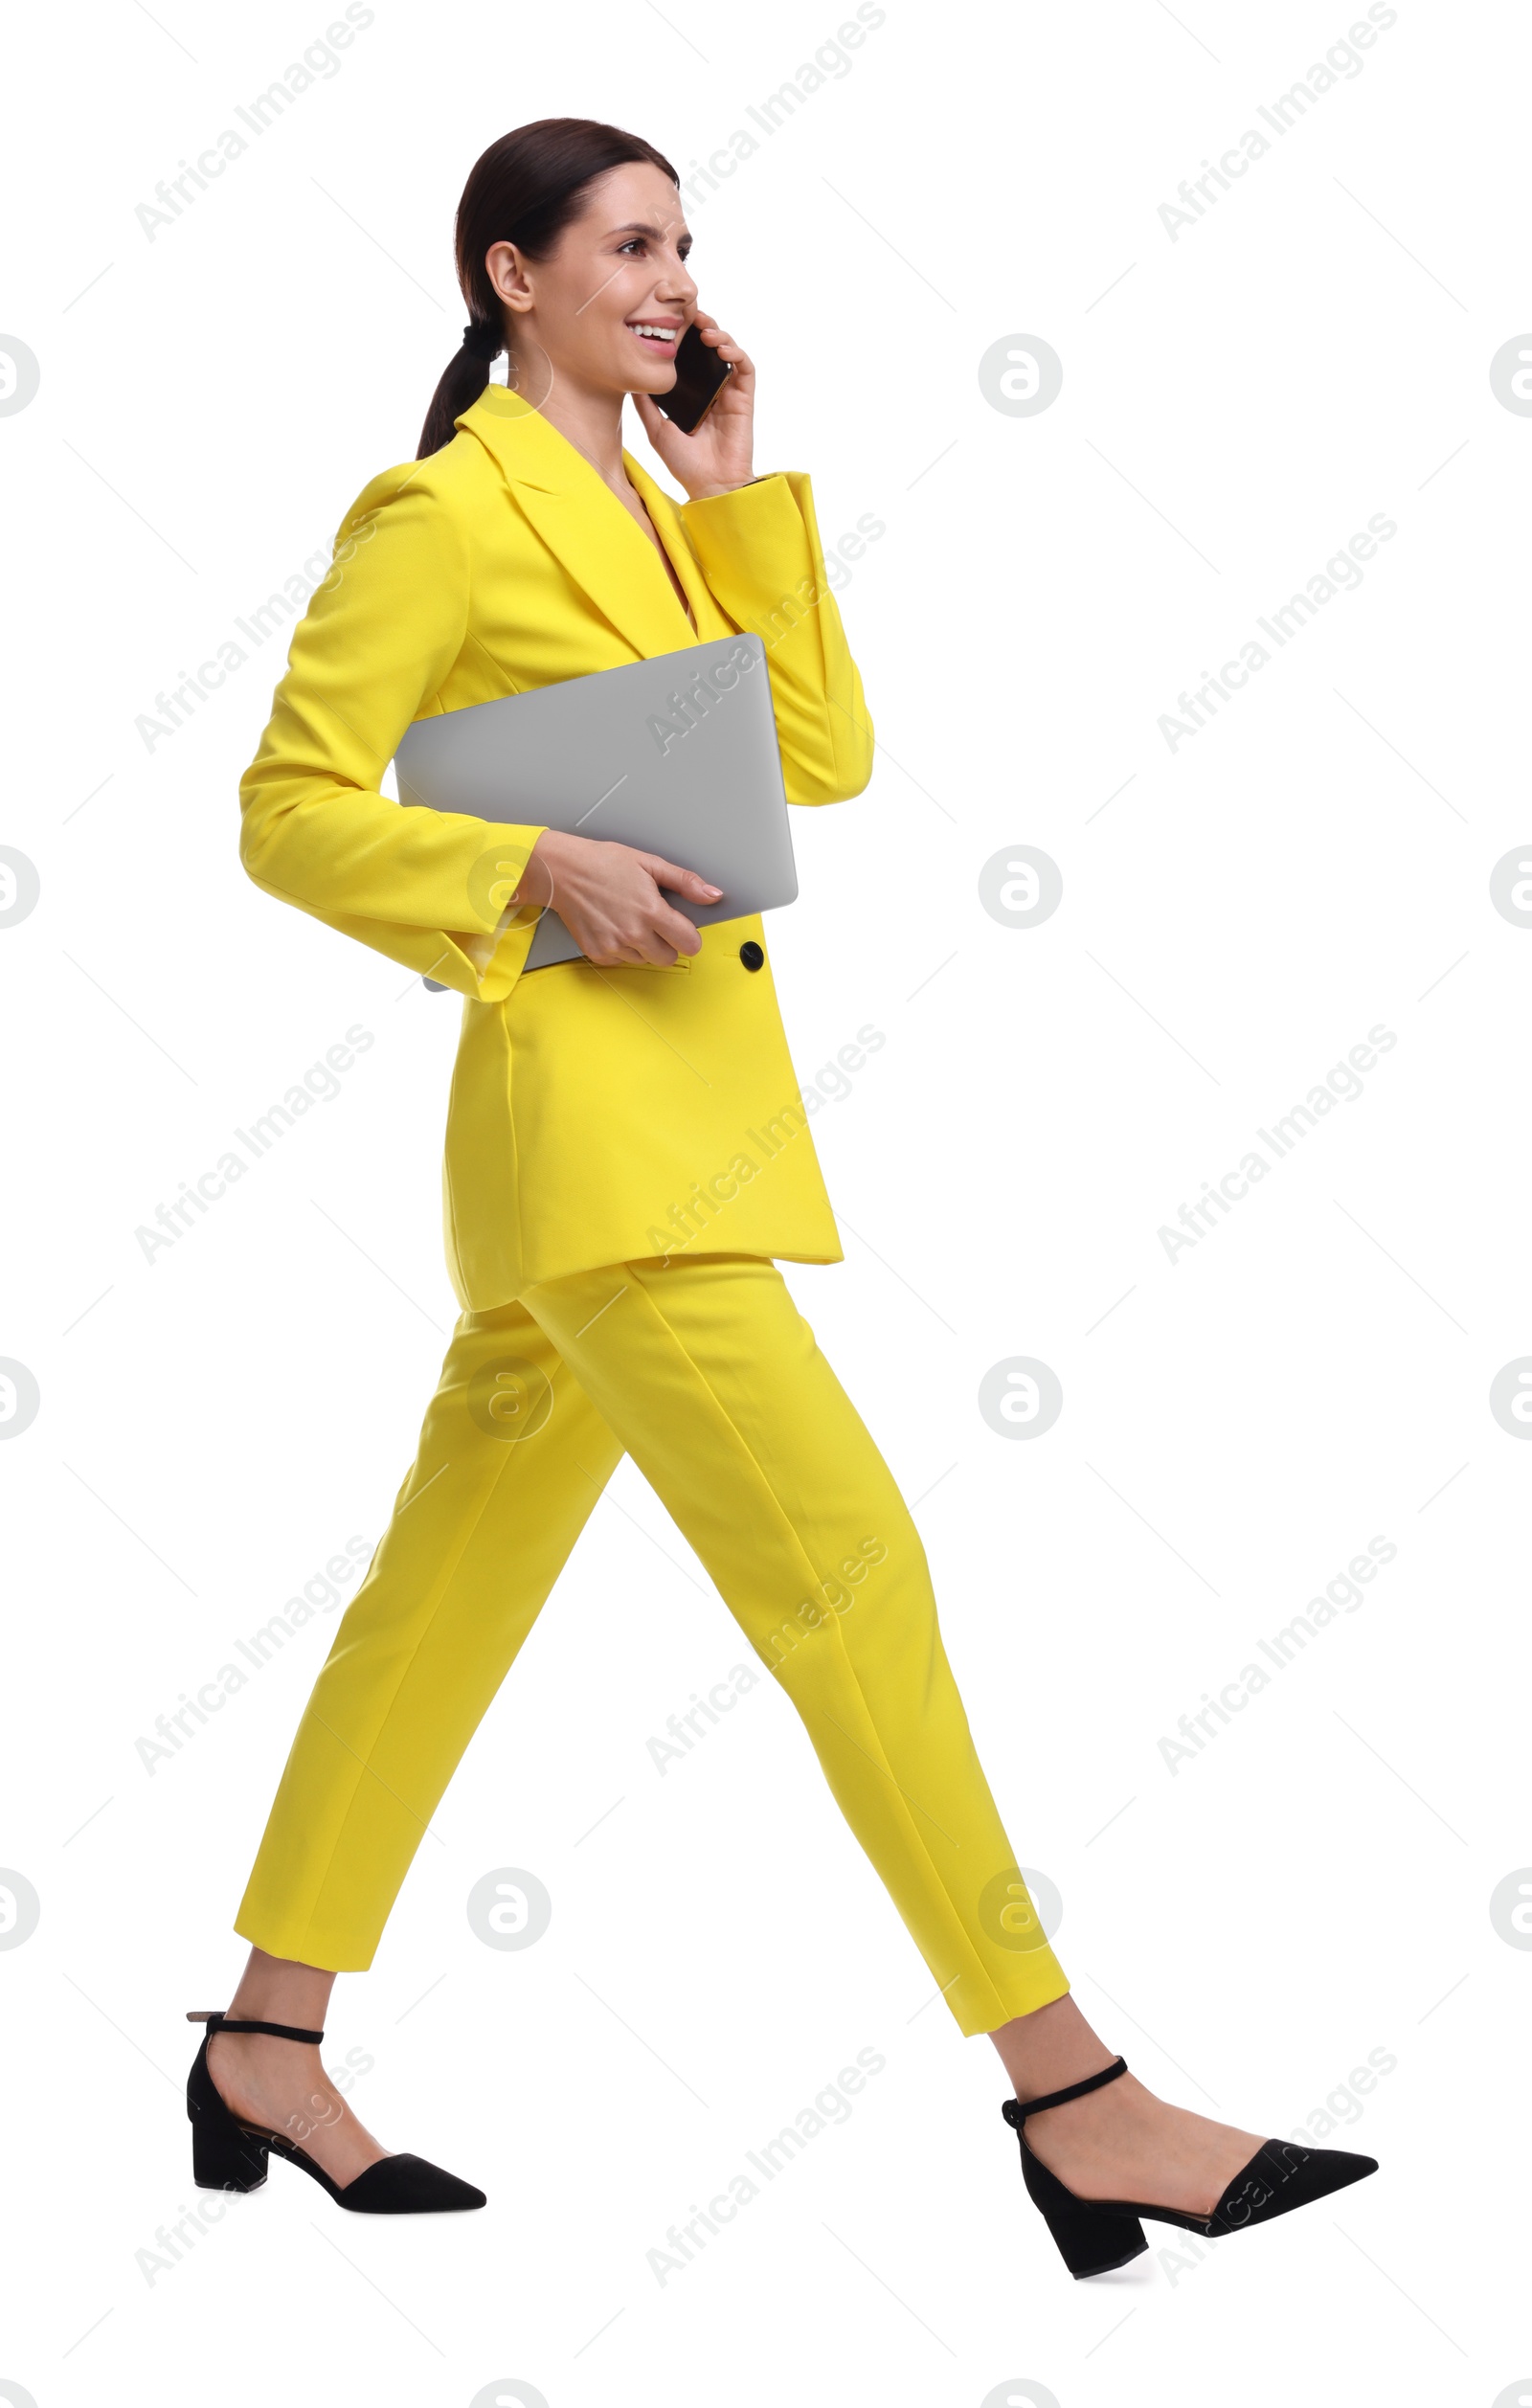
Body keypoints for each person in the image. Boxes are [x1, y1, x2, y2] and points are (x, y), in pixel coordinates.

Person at [187, 117, 1376, 2268]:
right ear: (507, 274)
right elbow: (279, 810)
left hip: (657, 1142)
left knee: (433, 1611)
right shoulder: (440, 518)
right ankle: (1070, 2090)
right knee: (855, 1577)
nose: (667, 280)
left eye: (682, 247)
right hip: (600, 1150)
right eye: (626, 244)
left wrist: (737, 507)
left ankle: (266, 2037)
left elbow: (811, 759)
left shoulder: (655, 508)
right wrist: (511, 863)